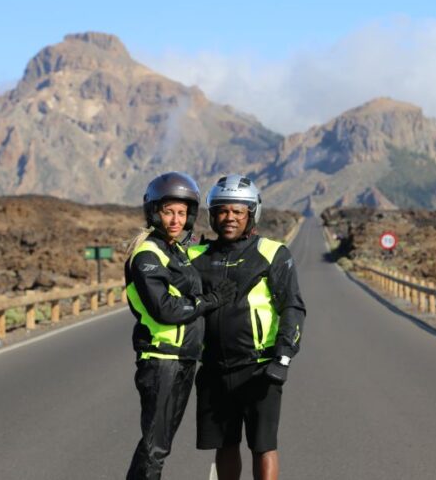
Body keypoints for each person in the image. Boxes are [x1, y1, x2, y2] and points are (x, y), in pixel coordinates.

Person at [189, 174, 306, 480]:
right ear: (213, 215)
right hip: (214, 369)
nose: (230, 218)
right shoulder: (195, 256)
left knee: (262, 445)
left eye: (238, 211)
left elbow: (292, 307)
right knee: (225, 445)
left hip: (260, 367)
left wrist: (282, 357)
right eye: (223, 210)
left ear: (252, 213)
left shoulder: (272, 253)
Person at [124, 171, 237, 480]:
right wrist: (210, 300)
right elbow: (165, 309)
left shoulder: (176, 251)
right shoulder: (148, 254)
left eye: (182, 212)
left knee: (158, 445)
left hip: (182, 359)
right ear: (154, 212)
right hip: (162, 361)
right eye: (168, 211)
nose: (175, 219)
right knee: (155, 447)